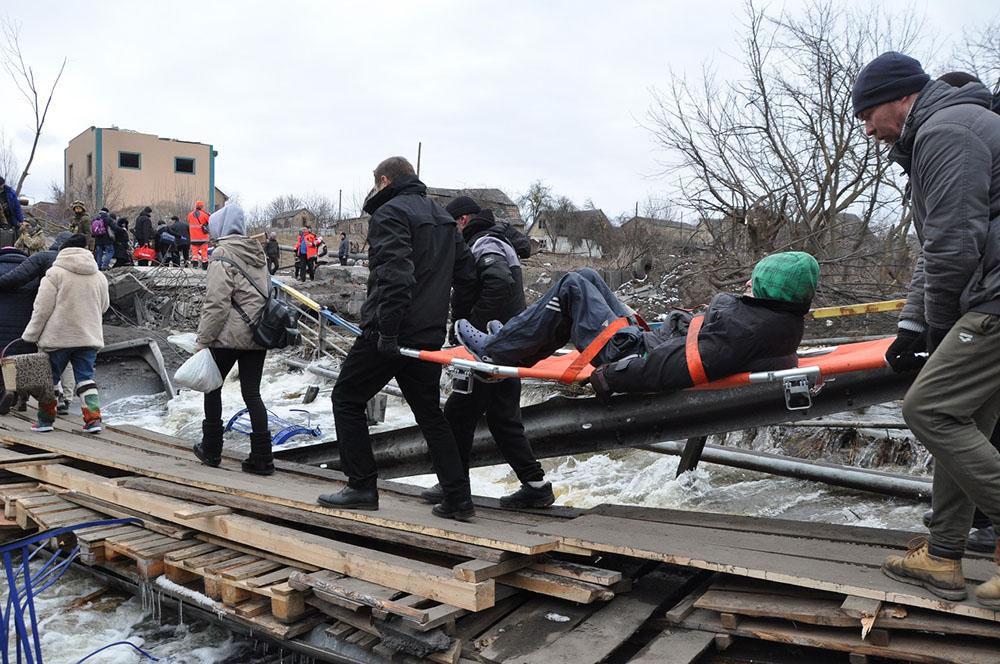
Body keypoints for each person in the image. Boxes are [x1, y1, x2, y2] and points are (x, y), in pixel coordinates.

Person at [851, 52, 1000, 606]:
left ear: (900, 99)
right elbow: (933, 246)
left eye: (868, 113)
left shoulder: (945, 132)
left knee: (928, 409)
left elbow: (954, 245)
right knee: (966, 425)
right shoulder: (949, 127)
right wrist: (913, 324)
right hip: (987, 290)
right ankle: (943, 556)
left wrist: (940, 333)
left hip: (994, 297)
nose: (866, 128)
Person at [317, 156, 479, 520]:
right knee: (430, 414)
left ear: (385, 181)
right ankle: (458, 497)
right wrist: (455, 323)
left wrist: (387, 331)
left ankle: (360, 485)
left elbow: (396, 277)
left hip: (389, 331)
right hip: (428, 334)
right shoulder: (444, 219)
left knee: (346, 397)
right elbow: (467, 275)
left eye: (376, 185)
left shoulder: (390, 213)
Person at [456, 252, 819, 402]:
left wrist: (609, 378)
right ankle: (510, 339)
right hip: (649, 340)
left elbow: (680, 365)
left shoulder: (748, 330)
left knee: (572, 285)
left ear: (773, 289)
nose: (746, 287)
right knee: (585, 276)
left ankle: (496, 350)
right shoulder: (772, 319)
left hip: (631, 353)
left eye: (754, 283)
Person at [431, 200, 554, 509]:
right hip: (506, 343)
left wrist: (470, 328)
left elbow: (498, 281)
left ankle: (453, 488)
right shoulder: (496, 240)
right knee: (502, 419)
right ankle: (536, 485)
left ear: (461, 220)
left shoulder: (485, 242)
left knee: (458, 414)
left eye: (450, 227)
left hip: (489, 347)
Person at [191, 204, 274, 475]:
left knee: (212, 387)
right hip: (258, 334)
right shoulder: (257, 252)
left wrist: (203, 340)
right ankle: (262, 459)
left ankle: (212, 450)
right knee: (252, 394)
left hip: (228, 336)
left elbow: (216, 303)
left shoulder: (222, 253)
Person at [21, 233, 109, 433]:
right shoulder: (99, 275)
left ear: (63, 252)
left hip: (57, 338)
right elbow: (103, 307)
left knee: (49, 380)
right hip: (88, 337)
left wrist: (30, 335)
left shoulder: (55, 274)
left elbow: (41, 309)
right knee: (86, 378)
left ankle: (45, 421)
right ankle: (93, 420)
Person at [0, 232, 82, 414]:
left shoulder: (43, 262)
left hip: (46, 321)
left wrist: (33, 330)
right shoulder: (88, 267)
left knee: (39, 361)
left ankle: (21, 397)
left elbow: (19, 282)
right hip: (79, 325)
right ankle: (65, 399)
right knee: (67, 364)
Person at [188, 201, 211, 269]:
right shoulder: (205, 214)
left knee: (195, 253)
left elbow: (189, 222)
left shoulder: (190, 214)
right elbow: (210, 222)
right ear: (202, 206)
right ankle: (204, 266)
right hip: (203, 238)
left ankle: (195, 266)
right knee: (204, 252)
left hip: (193, 237)